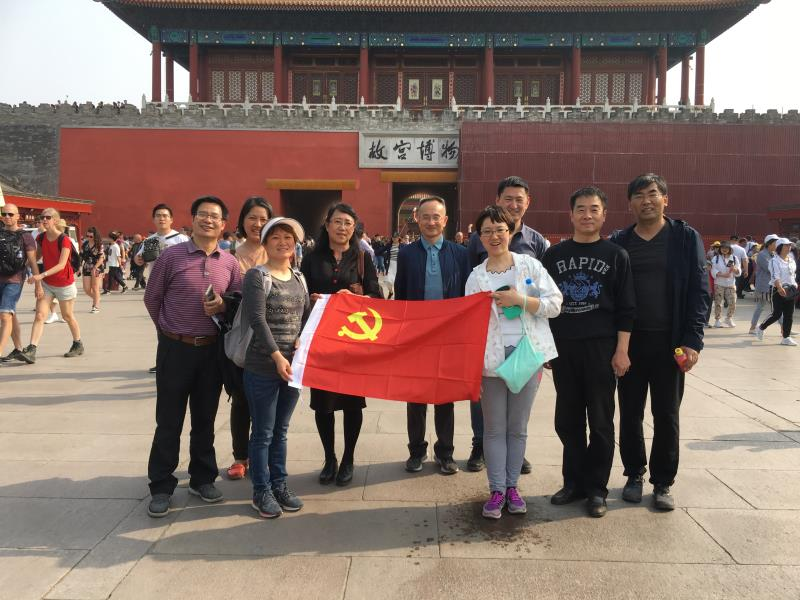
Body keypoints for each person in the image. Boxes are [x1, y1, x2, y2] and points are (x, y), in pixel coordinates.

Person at [609, 174, 709, 511]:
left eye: (652, 194)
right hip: (630, 344)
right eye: (638, 195)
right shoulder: (621, 240)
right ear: (630, 204)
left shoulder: (685, 237)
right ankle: (634, 474)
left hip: (672, 344)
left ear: (666, 199)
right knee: (630, 413)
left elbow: (699, 291)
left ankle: (663, 481)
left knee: (667, 414)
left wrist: (693, 340)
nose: (646, 201)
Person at [143, 196, 242, 518]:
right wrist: (168, 332)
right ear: (193, 219)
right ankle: (161, 485)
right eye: (203, 214)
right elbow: (152, 298)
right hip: (175, 348)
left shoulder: (229, 263)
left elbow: (237, 301)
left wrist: (224, 305)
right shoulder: (171, 256)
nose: (208, 220)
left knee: (205, 419)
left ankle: (202, 478)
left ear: (223, 224)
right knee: (168, 420)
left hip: (212, 350)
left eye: (215, 216)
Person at [542, 187, 635, 518]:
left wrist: (622, 351)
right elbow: (543, 304)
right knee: (567, 421)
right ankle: (574, 483)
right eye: (580, 209)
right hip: (564, 348)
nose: (587, 215)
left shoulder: (616, 255)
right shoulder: (554, 256)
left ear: (604, 215)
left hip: (600, 348)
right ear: (570, 215)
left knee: (600, 421)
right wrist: (544, 347)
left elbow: (626, 308)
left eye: (594, 209)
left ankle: (597, 489)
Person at [465, 205, 562, 519]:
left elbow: (555, 304)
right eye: (487, 231)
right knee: (494, 429)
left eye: (500, 230)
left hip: (526, 356)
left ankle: (512, 487)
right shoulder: (476, 276)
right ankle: (496, 490)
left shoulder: (530, 266)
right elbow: (468, 323)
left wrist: (520, 300)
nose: (494, 236)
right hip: (490, 361)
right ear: (480, 238)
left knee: (517, 429)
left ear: (510, 232)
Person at [466, 176, 549, 474]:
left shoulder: (535, 247)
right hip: (490, 347)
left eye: (519, 200)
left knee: (517, 421)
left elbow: (548, 299)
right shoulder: (477, 255)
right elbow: (469, 303)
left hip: (525, 348)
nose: (513, 205)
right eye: (508, 199)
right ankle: (482, 449)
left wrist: (521, 301)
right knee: (489, 416)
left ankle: (513, 465)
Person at [300, 203, 382, 486]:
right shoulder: (312, 259)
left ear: (354, 227)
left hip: (352, 343)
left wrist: (355, 299)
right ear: (327, 225)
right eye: (337, 222)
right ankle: (329, 458)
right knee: (323, 405)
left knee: (352, 404)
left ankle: (348, 459)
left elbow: (377, 295)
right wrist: (311, 300)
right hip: (322, 341)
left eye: (348, 222)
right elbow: (300, 294)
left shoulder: (362, 258)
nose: (342, 227)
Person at [394, 197, 470, 475]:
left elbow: (467, 294)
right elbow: (401, 294)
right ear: (417, 219)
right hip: (416, 337)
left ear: (445, 220)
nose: (431, 222)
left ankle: (445, 452)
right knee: (415, 396)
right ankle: (416, 451)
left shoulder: (460, 254)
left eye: (436, 216)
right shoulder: (407, 254)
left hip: (448, 337)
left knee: (444, 396)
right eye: (425, 216)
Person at [241, 217, 310, 518]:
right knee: (263, 433)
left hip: (293, 369)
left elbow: (305, 316)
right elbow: (257, 319)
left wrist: (300, 342)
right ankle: (261, 490)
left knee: (281, 430)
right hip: (263, 366)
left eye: (288, 238)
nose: (283, 243)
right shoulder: (257, 276)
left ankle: (279, 484)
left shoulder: (299, 277)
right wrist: (277, 356)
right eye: (276, 237)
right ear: (266, 243)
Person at [225, 196, 273, 481]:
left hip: (272, 337)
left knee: (267, 401)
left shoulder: (279, 251)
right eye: (252, 218)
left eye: (264, 219)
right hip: (241, 337)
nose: (258, 224)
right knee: (241, 399)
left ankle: (261, 454)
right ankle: (240, 456)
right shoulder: (230, 255)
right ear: (242, 221)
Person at [21, 208, 84, 363]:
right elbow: (38, 256)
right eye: (42, 217)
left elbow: (62, 264)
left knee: (67, 316)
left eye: (48, 217)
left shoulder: (64, 240)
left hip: (64, 283)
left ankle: (78, 343)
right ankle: (32, 349)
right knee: (40, 315)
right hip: (48, 283)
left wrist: (40, 275)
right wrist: (22, 265)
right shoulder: (41, 237)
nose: (44, 220)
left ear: (55, 220)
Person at [135, 203, 191, 373]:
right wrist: (138, 259)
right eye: (158, 215)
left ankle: (182, 360)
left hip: (178, 288)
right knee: (161, 326)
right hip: (157, 288)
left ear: (171, 219)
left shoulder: (181, 239)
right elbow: (139, 258)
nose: (162, 218)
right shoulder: (149, 240)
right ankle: (163, 361)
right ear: (153, 219)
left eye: (165, 215)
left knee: (179, 325)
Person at [0, 204, 42, 362]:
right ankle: (18, 348)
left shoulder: (26, 236)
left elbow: (32, 261)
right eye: (4, 214)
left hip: (15, 279)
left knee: (5, 315)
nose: (7, 217)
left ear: (18, 216)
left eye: (10, 214)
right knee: (11, 314)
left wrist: (38, 284)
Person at [755, 238, 797, 346]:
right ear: (780, 247)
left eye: (789, 245)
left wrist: (794, 285)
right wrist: (779, 287)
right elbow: (775, 275)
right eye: (786, 245)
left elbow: (793, 274)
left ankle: (786, 337)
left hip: (790, 289)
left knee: (789, 315)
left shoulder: (791, 260)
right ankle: (761, 327)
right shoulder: (774, 261)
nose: (789, 247)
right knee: (776, 314)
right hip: (777, 289)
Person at [751, 235, 780, 335]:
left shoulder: (773, 254)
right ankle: (784, 329)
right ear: (769, 244)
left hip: (770, 285)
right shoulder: (762, 255)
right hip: (764, 285)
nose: (777, 245)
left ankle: (784, 329)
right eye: (775, 243)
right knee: (771, 308)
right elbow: (770, 268)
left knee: (772, 307)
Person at [710, 240, 741, 328]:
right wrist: (722, 275)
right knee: (718, 302)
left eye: (726, 248)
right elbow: (713, 270)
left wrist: (735, 269)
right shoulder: (715, 258)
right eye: (722, 248)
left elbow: (738, 271)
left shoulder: (734, 258)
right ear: (720, 249)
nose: (724, 249)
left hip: (730, 284)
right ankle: (717, 320)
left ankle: (728, 318)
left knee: (733, 302)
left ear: (730, 249)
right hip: (719, 283)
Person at [81, 226, 106, 312]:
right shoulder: (85, 244)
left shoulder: (99, 245)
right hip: (86, 267)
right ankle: (97, 298)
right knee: (86, 289)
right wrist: (78, 267)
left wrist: (95, 268)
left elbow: (101, 258)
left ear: (95, 236)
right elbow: (81, 256)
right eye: (87, 236)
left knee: (95, 287)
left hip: (97, 268)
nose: (89, 238)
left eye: (91, 236)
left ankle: (96, 306)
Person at [380, 232, 403, 299]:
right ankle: (391, 292)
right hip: (390, 265)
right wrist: (373, 252)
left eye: (395, 237)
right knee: (387, 280)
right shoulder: (389, 245)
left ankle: (397, 296)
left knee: (397, 282)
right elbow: (381, 250)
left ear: (398, 238)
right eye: (393, 237)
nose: (394, 239)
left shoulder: (402, 245)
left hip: (399, 265)